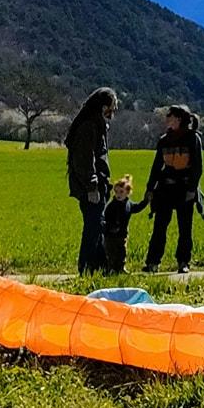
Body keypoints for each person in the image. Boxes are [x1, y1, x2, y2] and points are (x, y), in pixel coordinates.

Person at [142, 104, 204, 275]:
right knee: (159, 226)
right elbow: (157, 166)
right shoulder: (164, 140)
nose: (166, 119)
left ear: (178, 119)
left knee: (185, 228)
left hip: (185, 188)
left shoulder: (193, 139)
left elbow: (197, 167)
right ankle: (152, 262)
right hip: (165, 189)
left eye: (169, 116)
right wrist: (150, 188)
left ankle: (183, 262)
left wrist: (192, 189)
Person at [62, 87, 118, 275]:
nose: (113, 110)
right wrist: (92, 186)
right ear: (103, 106)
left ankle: (101, 268)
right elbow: (85, 160)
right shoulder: (89, 126)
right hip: (91, 187)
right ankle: (86, 268)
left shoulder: (94, 124)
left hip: (97, 185)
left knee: (97, 226)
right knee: (93, 228)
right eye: (112, 106)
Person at [101, 174, 139, 274]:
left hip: (122, 234)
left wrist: (146, 201)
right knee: (111, 252)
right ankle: (111, 268)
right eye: (116, 191)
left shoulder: (128, 204)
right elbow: (106, 217)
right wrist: (110, 227)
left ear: (127, 192)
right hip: (110, 235)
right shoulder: (112, 205)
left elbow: (137, 208)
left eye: (121, 192)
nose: (118, 194)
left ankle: (121, 268)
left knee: (122, 252)